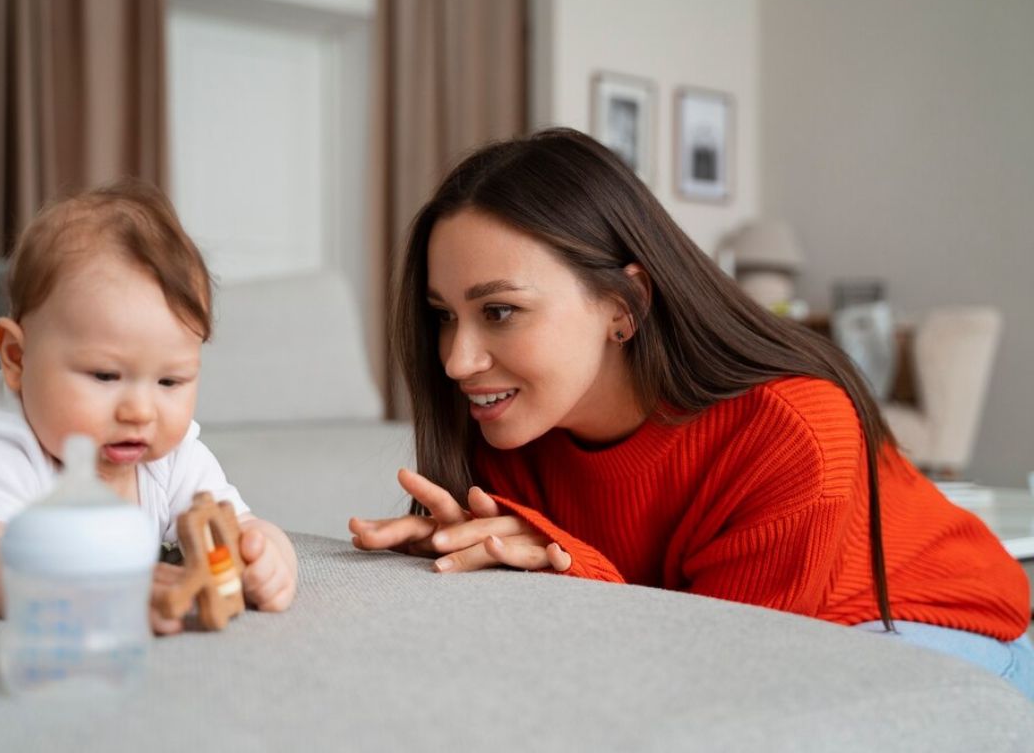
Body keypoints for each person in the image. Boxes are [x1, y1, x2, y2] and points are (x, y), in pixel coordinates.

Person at [349, 128, 1032, 697]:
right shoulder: (509, 429)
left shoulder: (791, 428)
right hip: (767, 647)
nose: (457, 361)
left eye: (500, 311)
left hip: (930, 624)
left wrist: (569, 571)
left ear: (624, 307)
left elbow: (721, 683)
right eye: (444, 316)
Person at [0, 179, 297, 632]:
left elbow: (240, 525)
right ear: (17, 357)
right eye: (105, 376)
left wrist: (268, 556)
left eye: (170, 381)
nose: (140, 412)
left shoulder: (171, 458)